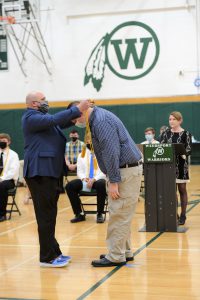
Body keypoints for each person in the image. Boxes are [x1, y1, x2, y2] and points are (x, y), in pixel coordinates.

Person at [68, 100, 143, 267]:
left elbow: (111, 152)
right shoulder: (97, 117)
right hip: (125, 169)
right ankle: (124, 251)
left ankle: (115, 255)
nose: (76, 123)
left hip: (124, 171)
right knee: (122, 214)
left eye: (74, 119)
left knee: (118, 214)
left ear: (80, 112)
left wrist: (114, 181)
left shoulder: (100, 121)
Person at [22, 91, 90, 268]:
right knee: (45, 216)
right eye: (44, 100)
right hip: (40, 172)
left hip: (49, 172)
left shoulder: (42, 118)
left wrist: (76, 116)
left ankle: (54, 251)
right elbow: (54, 120)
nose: (47, 102)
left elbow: (60, 123)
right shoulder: (30, 117)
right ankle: (46, 257)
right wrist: (76, 109)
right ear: (35, 103)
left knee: (50, 214)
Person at [160, 111, 192, 225]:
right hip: (168, 166)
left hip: (181, 166)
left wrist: (181, 152)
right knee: (171, 192)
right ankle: (175, 213)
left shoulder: (186, 134)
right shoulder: (165, 133)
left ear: (180, 120)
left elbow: (188, 149)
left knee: (182, 189)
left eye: (173, 119)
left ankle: (183, 215)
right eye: (170, 119)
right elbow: (161, 147)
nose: (171, 121)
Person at [65, 136, 107, 224]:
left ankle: (99, 213)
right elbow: (79, 172)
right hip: (85, 180)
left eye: (91, 140)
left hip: (98, 180)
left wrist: (94, 179)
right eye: (88, 141)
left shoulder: (103, 154)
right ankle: (79, 214)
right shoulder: (82, 155)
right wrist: (84, 178)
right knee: (70, 186)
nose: (89, 142)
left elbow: (104, 172)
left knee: (101, 184)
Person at [0, 133, 20, 222]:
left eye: (4, 141)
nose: (1, 143)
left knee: (2, 186)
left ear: (9, 142)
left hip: (9, 180)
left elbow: (13, 171)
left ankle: (2, 214)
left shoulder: (13, 155)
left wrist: (1, 178)